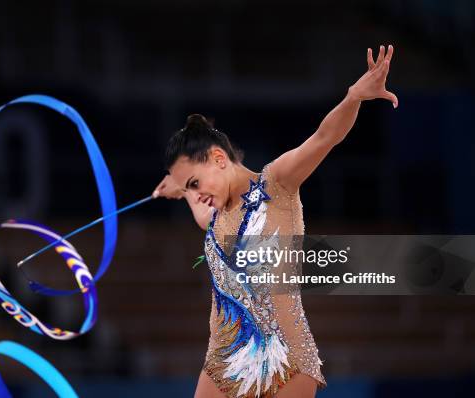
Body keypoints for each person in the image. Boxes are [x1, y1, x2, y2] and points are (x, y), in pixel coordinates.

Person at [153, 45, 398, 397]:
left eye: (196, 182)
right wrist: (182, 188)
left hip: (287, 360)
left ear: (219, 159)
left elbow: (325, 137)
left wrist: (353, 98)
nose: (196, 193)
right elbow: (200, 210)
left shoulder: (277, 183)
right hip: (224, 363)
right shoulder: (214, 215)